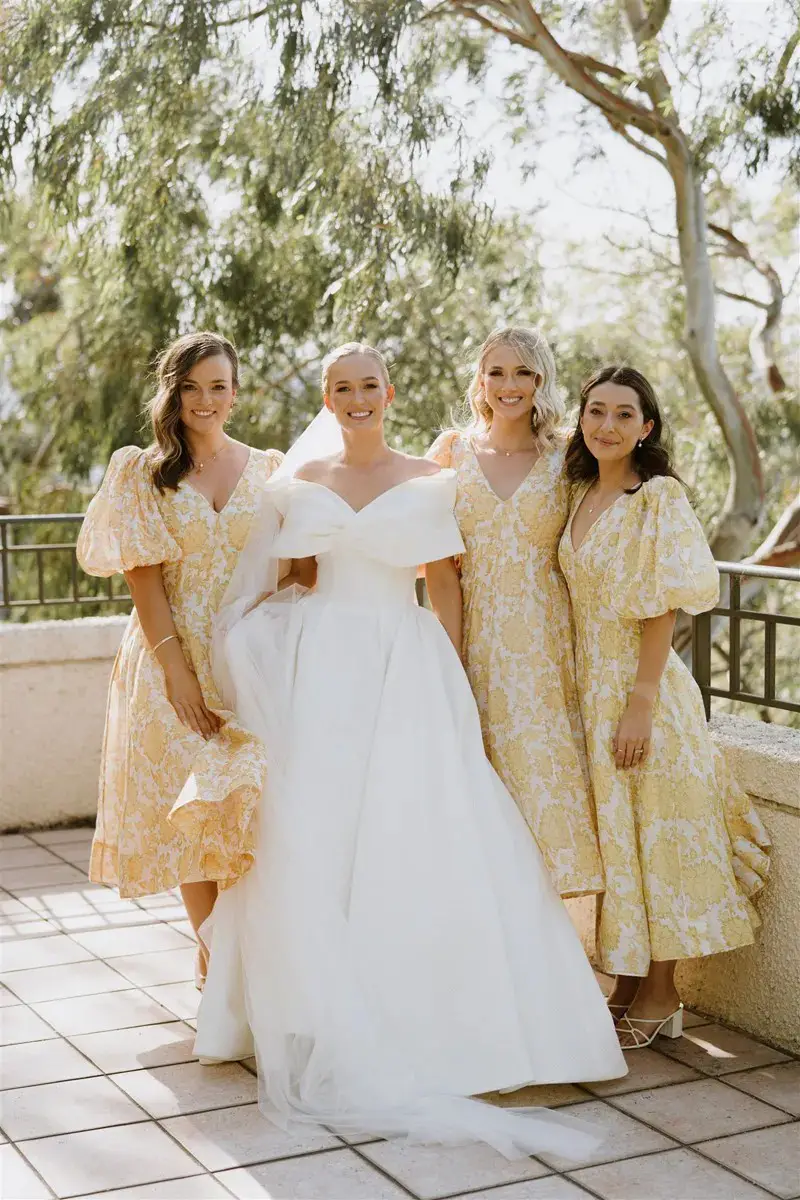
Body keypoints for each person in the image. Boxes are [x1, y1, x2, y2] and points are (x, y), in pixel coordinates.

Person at [191, 341, 626, 1161]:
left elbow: (447, 585)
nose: (356, 398)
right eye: (340, 387)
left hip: (404, 660)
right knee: (317, 836)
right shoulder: (297, 486)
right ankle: (307, 1012)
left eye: (368, 386)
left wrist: (452, 676)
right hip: (321, 671)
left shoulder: (431, 483)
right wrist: (256, 655)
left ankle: (437, 1016)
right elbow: (287, 580)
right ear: (328, 396)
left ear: (390, 392)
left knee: (414, 829)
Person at [558, 364, 770, 1049]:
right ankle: (625, 980)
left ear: (646, 428)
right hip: (592, 692)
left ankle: (662, 991)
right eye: (596, 411)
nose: (607, 425)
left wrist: (641, 703)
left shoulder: (658, 498)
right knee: (619, 840)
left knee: (659, 838)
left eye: (624, 414)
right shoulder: (580, 492)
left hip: (644, 691)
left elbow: (663, 604)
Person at [77, 331, 283, 986]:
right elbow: (143, 580)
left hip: (247, 661)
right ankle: (221, 966)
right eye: (191, 387)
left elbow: (291, 568)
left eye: (218, 386)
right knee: (193, 812)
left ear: (236, 391)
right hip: (172, 656)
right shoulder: (144, 471)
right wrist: (176, 673)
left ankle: (219, 956)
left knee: (243, 807)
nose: (205, 400)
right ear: (173, 392)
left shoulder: (271, 469)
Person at [428, 327, 603, 899]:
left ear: (541, 381)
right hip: (476, 647)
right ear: (480, 380)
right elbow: (440, 570)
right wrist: (449, 658)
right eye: (497, 372)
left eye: (523, 373)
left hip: (551, 652)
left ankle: (566, 944)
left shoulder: (568, 455)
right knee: (483, 784)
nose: (510, 385)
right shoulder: (451, 453)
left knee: (550, 782)